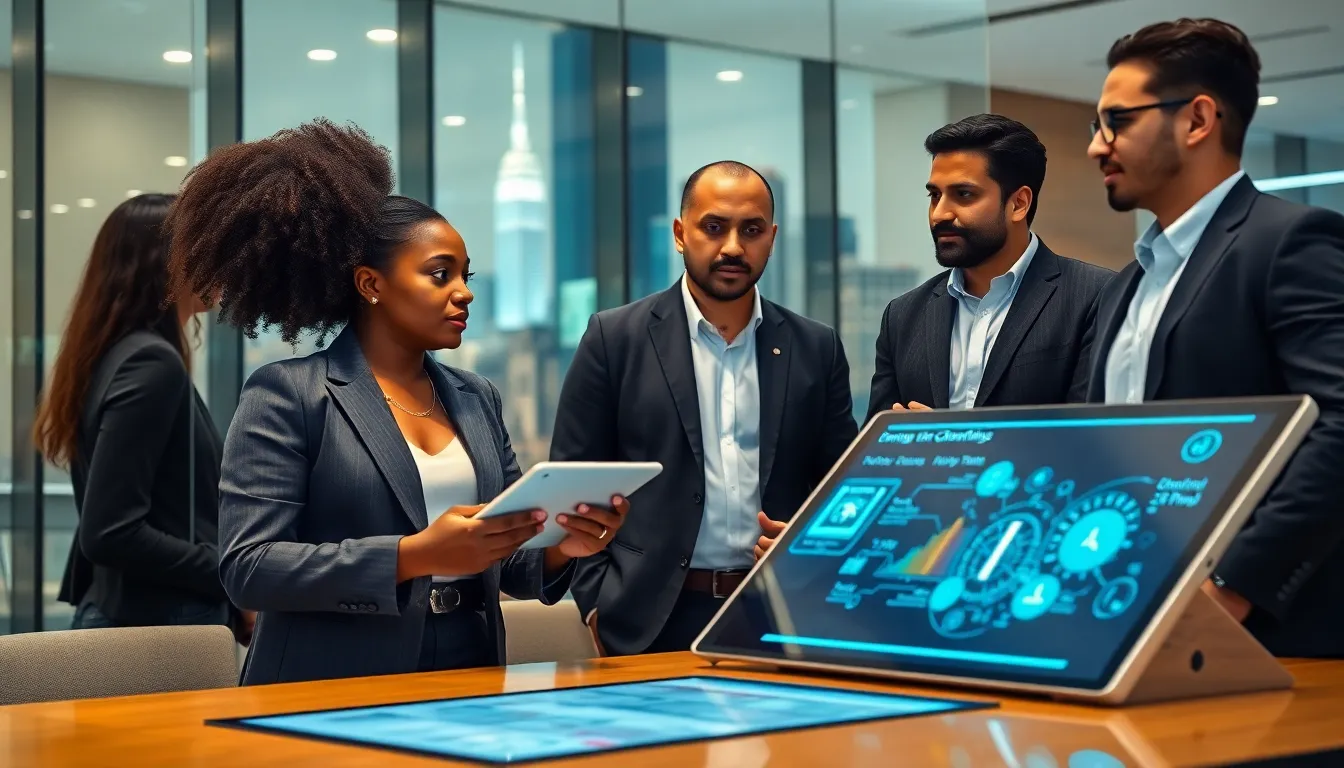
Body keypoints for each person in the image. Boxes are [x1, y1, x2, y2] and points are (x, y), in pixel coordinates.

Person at [164, 119, 629, 684]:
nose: (465, 291)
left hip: (471, 666)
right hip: (334, 680)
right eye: (440, 274)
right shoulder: (289, 394)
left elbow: (504, 559)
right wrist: (414, 555)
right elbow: (250, 567)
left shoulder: (476, 397)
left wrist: (563, 546)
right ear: (371, 285)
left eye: (465, 275)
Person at [1085, 18, 1344, 657]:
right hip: (1126, 617)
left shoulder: (1291, 243)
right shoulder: (1126, 286)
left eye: (1117, 121)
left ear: (1197, 121)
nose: (1097, 146)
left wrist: (1232, 588)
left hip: (1269, 640)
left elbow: (1340, 423)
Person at [550, 160, 859, 656]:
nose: (733, 246)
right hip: (649, 620)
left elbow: (843, 487)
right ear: (680, 233)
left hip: (779, 609)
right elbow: (573, 482)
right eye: (714, 227)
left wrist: (805, 544)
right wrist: (596, 604)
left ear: (772, 238)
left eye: (752, 230)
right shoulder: (615, 339)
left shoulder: (814, 347)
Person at [33, 194, 249, 642]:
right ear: (164, 263)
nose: (220, 264)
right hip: (156, 629)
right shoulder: (150, 363)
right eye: (203, 249)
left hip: (139, 620)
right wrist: (232, 573)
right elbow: (111, 531)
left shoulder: (115, 356)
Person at [867, 114, 1113, 422]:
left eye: (964, 194)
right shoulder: (902, 316)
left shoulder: (1098, 297)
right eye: (934, 195)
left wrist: (953, 444)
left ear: (1019, 203)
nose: (940, 214)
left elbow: (1093, 437)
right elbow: (873, 448)